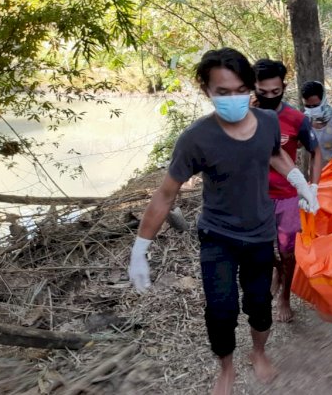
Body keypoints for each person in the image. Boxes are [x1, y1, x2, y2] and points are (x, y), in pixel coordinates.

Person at [127, 48, 319, 394]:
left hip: (260, 233)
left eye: (239, 90)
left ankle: (258, 352)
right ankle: (226, 368)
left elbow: (274, 154)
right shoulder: (196, 139)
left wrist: (300, 182)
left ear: (251, 89)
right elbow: (166, 193)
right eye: (222, 92)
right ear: (207, 91)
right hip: (218, 236)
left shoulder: (268, 123)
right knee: (221, 309)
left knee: (259, 305)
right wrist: (141, 248)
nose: (232, 99)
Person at [253, 59, 322, 323]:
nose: (269, 97)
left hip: (287, 195)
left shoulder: (297, 119)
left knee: (289, 250)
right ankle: (277, 272)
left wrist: (312, 188)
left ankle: (285, 296)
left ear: (283, 87)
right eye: (263, 92)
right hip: (255, 195)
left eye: (276, 92)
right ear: (254, 87)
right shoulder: (245, 115)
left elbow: (315, 152)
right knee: (260, 249)